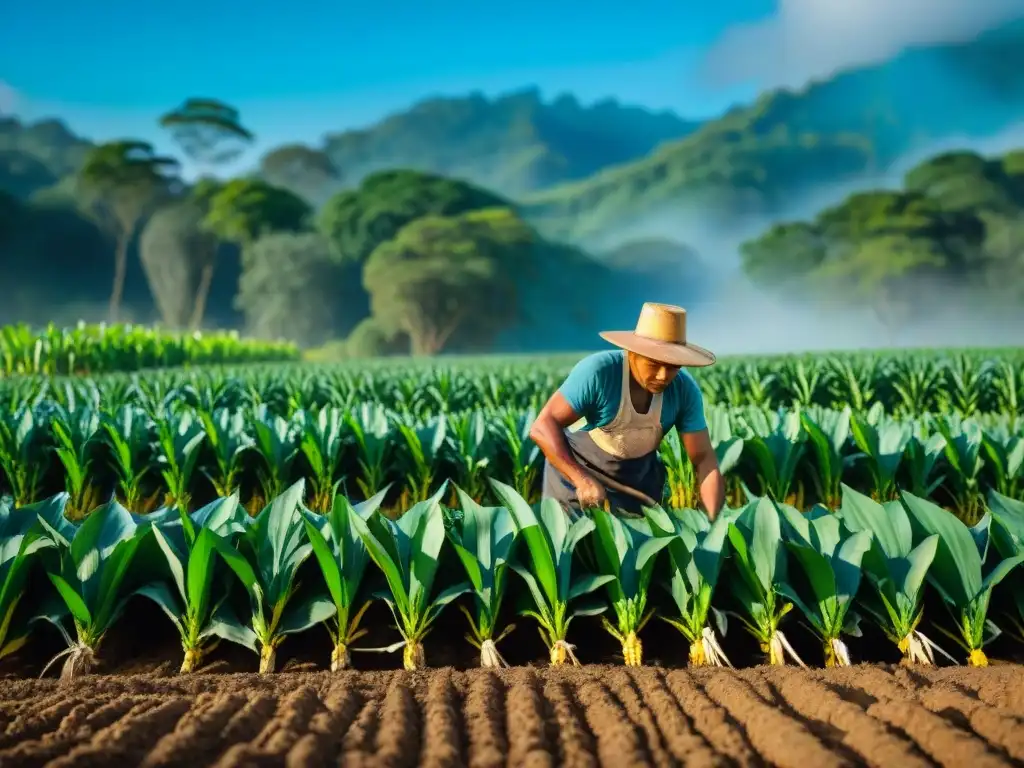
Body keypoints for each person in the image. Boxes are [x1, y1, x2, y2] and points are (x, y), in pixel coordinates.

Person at [530, 302, 724, 519]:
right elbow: (543, 426)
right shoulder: (599, 373)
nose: (663, 375)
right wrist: (582, 480)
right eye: (653, 364)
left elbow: (704, 458)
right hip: (573, 481)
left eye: (672, 366)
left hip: (636, 487)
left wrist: (711, 521)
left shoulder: (684, 390)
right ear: (632, 353)